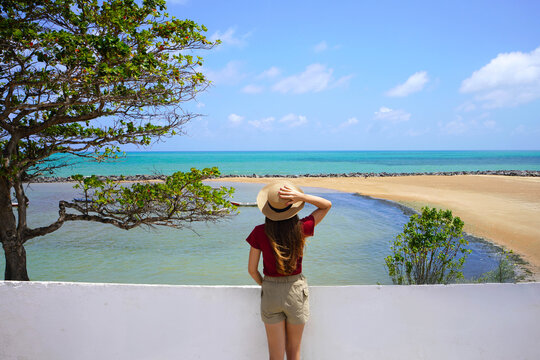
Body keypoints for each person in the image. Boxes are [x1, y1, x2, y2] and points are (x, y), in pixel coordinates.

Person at [246, 181, 332, 360]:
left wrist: (267, 284)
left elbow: (252, 270)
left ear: (268, 208)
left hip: (270, 291)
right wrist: (302, 197)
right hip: (295, 291)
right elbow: (326, 206)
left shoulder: (259, 232)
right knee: (294, 353)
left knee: (275, 356)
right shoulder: (300, 228)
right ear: (293, 208)